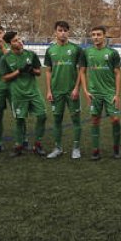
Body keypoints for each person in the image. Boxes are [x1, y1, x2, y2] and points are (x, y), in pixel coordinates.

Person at [0, 31, 47, 156]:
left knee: (42, 115)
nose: (19, 42)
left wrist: (31, 70)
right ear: (9, 44)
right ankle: (18, 146)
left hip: (34, 92)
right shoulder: (5, 59)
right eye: (15, 41)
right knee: (20, 120)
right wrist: (19, 71)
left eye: (19, 39)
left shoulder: (31, 54)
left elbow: (39, 72)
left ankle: (38, 144)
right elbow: (4, 77)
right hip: (18, 93)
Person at [44, 21, 86, 159]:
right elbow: (48, 71)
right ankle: (57, 148)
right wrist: (49, 90)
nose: (62, 33)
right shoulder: (50, 50)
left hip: (71, 91)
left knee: (76, 120)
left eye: (65, 30)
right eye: (60, 30)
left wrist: (76, 88)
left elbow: (81, 70)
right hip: (56, 92)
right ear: (55, 32)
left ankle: (76, 148)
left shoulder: (76, 49)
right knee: (57, 120)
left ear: (68, 32)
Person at [81, 25, 121, 160]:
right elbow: (82, 71)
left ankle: (116, 148)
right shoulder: (86, 52)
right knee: (94, 120)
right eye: (93, 35)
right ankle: (95, 150)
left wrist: (117, 94)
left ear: (104, 36)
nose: (96, 37)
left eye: (99, 34)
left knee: (115, 119)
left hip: (110, 93)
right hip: (94, 93)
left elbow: (117, 74)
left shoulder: (112, 53)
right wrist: (86, 91)